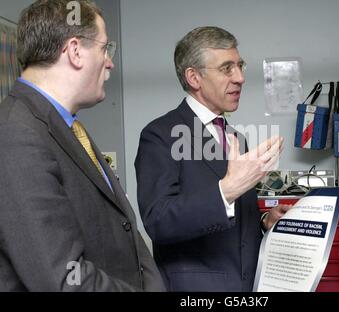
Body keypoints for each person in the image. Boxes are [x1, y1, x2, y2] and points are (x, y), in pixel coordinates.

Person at [0, 0, 165, 291]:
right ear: (76, 51)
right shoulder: (16, 135)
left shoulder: (67, 126)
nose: (110, 61)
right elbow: (62, 280)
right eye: (105, 49)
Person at [135, 26, 291, 292]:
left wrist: (264, 221)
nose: (240, 77)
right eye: (227, 68)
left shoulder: (236, 138)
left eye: (240, 66)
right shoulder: (159, 135)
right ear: (194, 77)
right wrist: (226, 190)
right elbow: (158, 221)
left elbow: (232, 218)